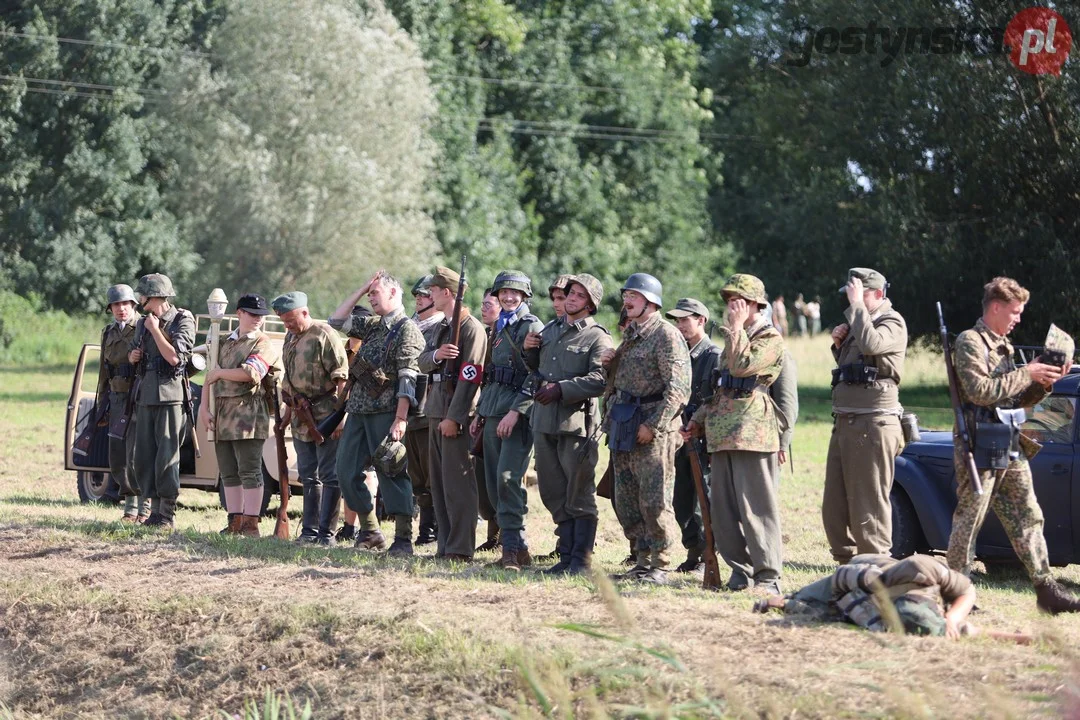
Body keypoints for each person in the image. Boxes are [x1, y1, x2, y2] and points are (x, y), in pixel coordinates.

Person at [945, 277, 1080, 614]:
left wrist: (1045, 383)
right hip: (979, 445)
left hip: (1008, 441)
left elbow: (1015, 397)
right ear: (995, 307)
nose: (1018, 318)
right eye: (1014, 312)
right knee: (970, 520)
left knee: (1028, 515)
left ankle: (1046, 589)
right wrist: (1028, 373)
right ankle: (956, 593)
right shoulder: (970, 342)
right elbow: (980, 392)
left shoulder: (1005, 346)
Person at [684, 274, 785, 594]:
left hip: (753, 434)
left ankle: (768, 576)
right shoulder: (733, 337)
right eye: (729, 300)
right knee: (723, 511)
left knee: (756, 509)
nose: (732, 306)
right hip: (721, 434)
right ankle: (739, 573)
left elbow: (743, 368)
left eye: (739, 300)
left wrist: (737, 328)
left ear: (756, 304)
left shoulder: (770, 338)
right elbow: (722, 388)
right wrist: (698, 419)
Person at [600, 273, 690, 584]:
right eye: (626, 295)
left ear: (651, 301)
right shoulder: (632, 335)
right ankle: (640, 559)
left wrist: (654, 425)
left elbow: (678, 389)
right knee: (625, 499)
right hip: (623, 423)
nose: (627, 300)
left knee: (654, 500)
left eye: (634, 296)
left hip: (652, 428)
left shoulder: (666, 335)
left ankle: (661, 563)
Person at [328, 271, 425, 555]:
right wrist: (361, 288)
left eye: (376, 292)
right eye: (369, 294)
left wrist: (401, 417)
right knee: (345, 472)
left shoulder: (408, 330)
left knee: (391, 473)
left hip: (387, 413)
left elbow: (408, 376)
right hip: (358, 411)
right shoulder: (372, 326)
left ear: (394, 293)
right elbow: (335, 321)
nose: (371, 298)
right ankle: (370, 530)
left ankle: (404, 539)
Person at [523, 273, 612, 574]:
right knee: (552, 491)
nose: (571, 298)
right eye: (569, 293)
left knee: (579, 492)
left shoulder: (597, 336)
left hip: (576, 425)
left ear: (590, 304)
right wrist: (529, 350)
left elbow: (601, 379)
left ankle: (581, 560)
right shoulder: (550, 330)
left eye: (578, 295)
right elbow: (536, 368)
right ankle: (566, 556)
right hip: (544, 421)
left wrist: (561, 389)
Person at [822, 268, 907, 562]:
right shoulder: (861, 322)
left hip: (873, 423)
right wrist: (838, 345)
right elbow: (854, 367)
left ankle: (874, 563)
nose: (850, 300)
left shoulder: (891, 322)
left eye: (857, 294)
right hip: (846, 420)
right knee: (834, 504)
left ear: (878, 295)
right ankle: (846, 564)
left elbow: (873, 345)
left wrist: (857, 309)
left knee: (868, 502)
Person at [473, 271, 544, 569]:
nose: (509, 297)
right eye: (504, 293)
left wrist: (517, 412)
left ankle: (513, 549)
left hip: (517, 414)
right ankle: (516, 548)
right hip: (492, 410)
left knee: (508, 479)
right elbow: (491, 374)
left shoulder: (531, 326)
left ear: (525, 296)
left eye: (515, 293)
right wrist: (480, 412)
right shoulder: (499, 327)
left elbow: (537, 375)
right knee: (492, 483)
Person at [418, 265, 488, 562]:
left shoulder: (471, 328)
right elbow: (421, 361)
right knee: (439, 483)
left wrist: (456, 417)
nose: (429, 295)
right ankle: (445, 544)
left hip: (454, 415)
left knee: (458, 484)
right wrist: (437, 355)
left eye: (433, 290)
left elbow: (471, 376)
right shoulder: (443, 327)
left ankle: (460, 547)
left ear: (447, 293)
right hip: (435, 410)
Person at [200, 294, 279, 537]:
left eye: (260, 315)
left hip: (249, 413)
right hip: (222, 412)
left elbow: (251, 373)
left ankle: (251, 523)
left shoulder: (263, 343)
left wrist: (220, 373)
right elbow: (208, 377)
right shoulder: (224, 342)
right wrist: (204, 408)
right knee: (228, 471)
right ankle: (234, 520)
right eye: (252, 314)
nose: (257, 319)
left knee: (250, 469)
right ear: (239, 314)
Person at [273, 291, 348, 544]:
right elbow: (289, 380)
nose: (288, 325)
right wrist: (286, 416)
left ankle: (327, 534)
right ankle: (310, 531)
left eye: (291, 320)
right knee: (307, 474)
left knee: (329, 474)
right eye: (284, 321)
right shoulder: (290, 337)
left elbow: (341, 377)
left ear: (305, 312)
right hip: (299, 416)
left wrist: (340, 418)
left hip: (326, 416)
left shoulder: (324, 334)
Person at [754, 554, 976, 639]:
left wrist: (953, 618)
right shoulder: (870, 578)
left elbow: (968, 591)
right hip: (857, 571)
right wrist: (791, 603)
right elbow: (839, 590)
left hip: (888, 593)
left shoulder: (929, 573)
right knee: (806, 599)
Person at [128, 273, 196, 529]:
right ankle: (153, 510)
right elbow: (134, 350)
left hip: (170, 396)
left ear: (155, 295)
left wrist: (156, 330)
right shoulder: (143, 323)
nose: (140, 299)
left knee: (167, 455)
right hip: (146, 395)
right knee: (144, 455)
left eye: (143, 294)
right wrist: (133, 356)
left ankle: (166, 513)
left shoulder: (182, 319)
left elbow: (176, 358)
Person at [664, 298, 722, 573]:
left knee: (705, 499)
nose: (680, 325)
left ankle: (708, 553)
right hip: (678, 438)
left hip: (704, 439)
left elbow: (719, 400)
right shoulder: (677, 354)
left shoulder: (714, 356)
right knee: (681, 500)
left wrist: (700, 426)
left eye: (685, 319)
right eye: (677, 320)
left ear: (701, 320)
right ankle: (694, 550)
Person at [97, 284, 150, 523]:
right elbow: (103, 371)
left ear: (133, 305)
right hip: (116, 398)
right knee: (117, 456)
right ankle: (129, 506)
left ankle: (144, 506)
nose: (121, 309)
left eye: (125, 304)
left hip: (138, 397)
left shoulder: (144, 326)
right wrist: (102, 404)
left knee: (136, 454)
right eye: (116, 305)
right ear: (110, 308)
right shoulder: (107, 332)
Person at [404, 276, 443, 546]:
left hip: (431, 408)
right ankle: (426, 529)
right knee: (416, 474)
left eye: (425, 294)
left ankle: (435, 529)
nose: (419, 298)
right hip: (408, 408)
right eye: (417, 294)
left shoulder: (443, 328)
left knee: (433, 474)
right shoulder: (410, 326)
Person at [473, 288, 501, 552]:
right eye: (482, 304)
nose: (484, 308)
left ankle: (503, 534)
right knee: (483, 475)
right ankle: (493, 532)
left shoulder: (507, 336)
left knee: (500, 475)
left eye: (489, 304)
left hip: (501, 408)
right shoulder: (483, 334)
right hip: (484, 407)